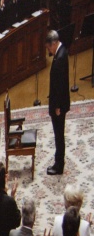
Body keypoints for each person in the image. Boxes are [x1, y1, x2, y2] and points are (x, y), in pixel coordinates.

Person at [45, 29, 70, 175]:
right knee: (58, 134)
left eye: (49, 47)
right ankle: (58, 161)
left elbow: (60, 85)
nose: (48, 50)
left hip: (59, 105)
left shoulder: (60, 58)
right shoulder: (62, 51)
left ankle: (59, 165)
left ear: (54, 43)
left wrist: (57, 107)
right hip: (60, 102)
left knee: (59, 134)